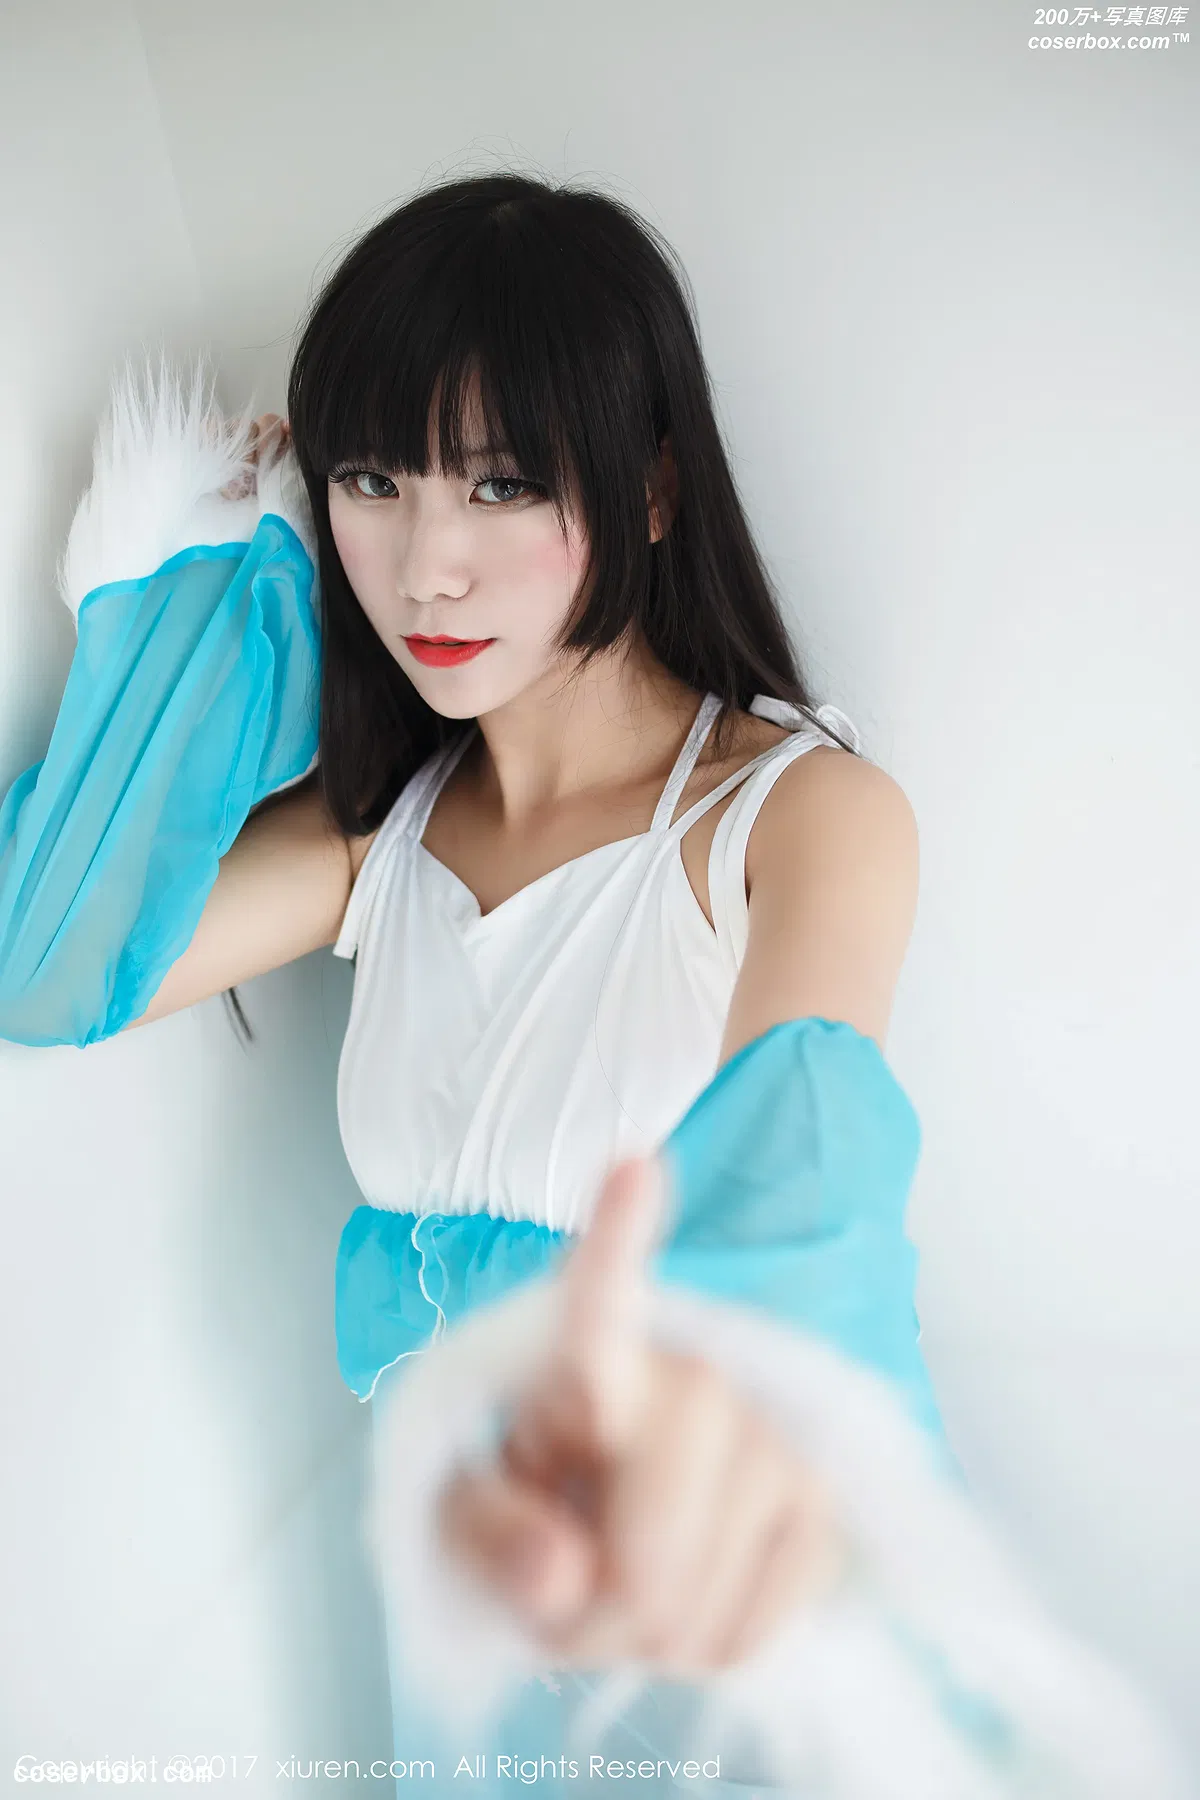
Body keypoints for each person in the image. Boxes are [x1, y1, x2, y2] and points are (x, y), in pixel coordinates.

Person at [1, 175, 1189, 1799]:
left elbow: (807, 1170)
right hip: (487, 1618)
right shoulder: (377, 841)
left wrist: (735, 1441)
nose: (426, 568)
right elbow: (47, 969)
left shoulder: (799, 817)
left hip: (728, 1572)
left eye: (501, 485)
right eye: (371, 481)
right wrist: (213, 593)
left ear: (649, 493)